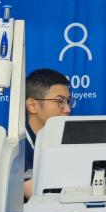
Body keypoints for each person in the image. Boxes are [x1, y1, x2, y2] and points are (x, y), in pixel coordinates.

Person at [22, 68, 72, 200]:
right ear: (32, 106)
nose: (68, 109)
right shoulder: (18, 146)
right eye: (60, 101)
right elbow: (36, 193)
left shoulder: (69, 137)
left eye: (68, 101)